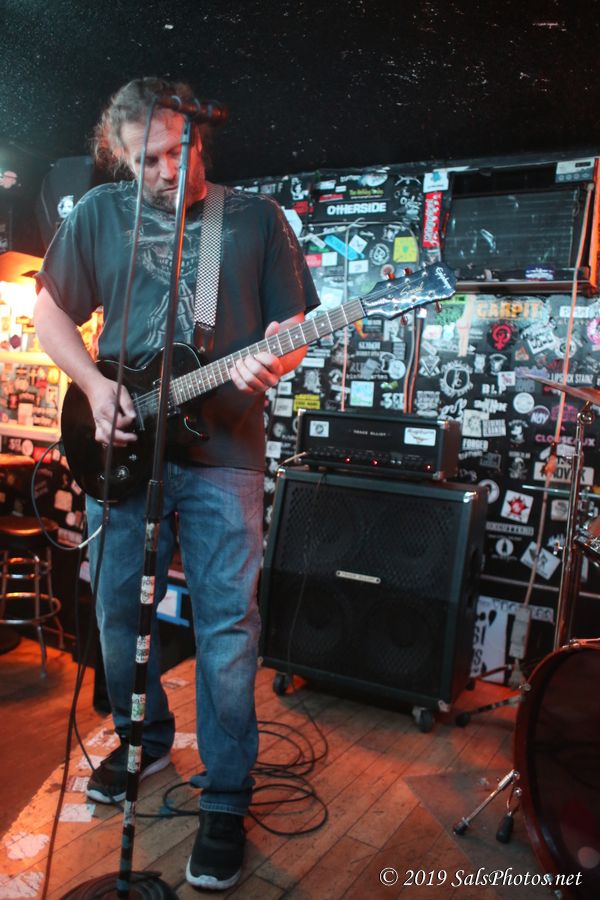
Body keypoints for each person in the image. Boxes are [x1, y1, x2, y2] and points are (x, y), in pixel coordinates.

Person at [33, 77, 319, 891]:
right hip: (122, 444)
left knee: (228, 625)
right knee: (114, 609)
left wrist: (278, 358)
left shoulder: (256, 220)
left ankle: (225, 797)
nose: (164, 171)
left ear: (199, 135)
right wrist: (93, 385)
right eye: (146, 161)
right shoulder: (98, 215)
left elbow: (293, 328)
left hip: (225, 449)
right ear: (122, 159)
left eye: (175, 152)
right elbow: (50, 313)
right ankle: (144, 738)